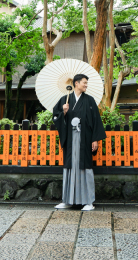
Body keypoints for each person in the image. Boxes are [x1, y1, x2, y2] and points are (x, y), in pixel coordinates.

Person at [52, 73, 106, 211]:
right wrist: (62, 112)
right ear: (76, 83)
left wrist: (95, 139)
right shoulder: (65, 99)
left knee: (85, 167)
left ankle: (88, 201)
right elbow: (55, 117)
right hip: (70, 139)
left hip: (85, 139)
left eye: (86, 83)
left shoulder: (89, 100)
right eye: (84, 82)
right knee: (70, 167)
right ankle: (67, 200)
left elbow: (95, 121)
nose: (86, 85)